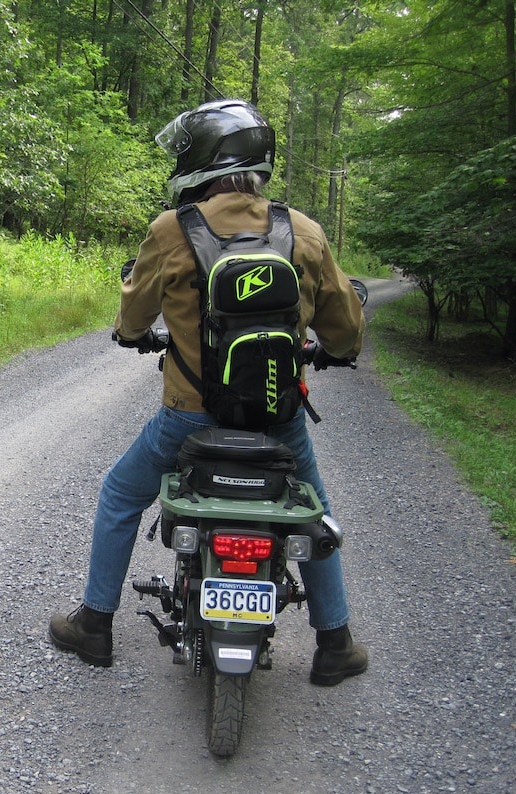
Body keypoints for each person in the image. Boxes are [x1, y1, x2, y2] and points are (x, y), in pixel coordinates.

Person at [49, 100, 369, 685]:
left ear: (201, 160)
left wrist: (134, 334)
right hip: (278, 420)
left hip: (188, 418)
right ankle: (336, 643)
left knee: (121, 494)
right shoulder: (303, 232)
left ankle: (94, 624)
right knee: (313, 514)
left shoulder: (172, 230)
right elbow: (345, 332)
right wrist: (333, 350)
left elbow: (134, 316)